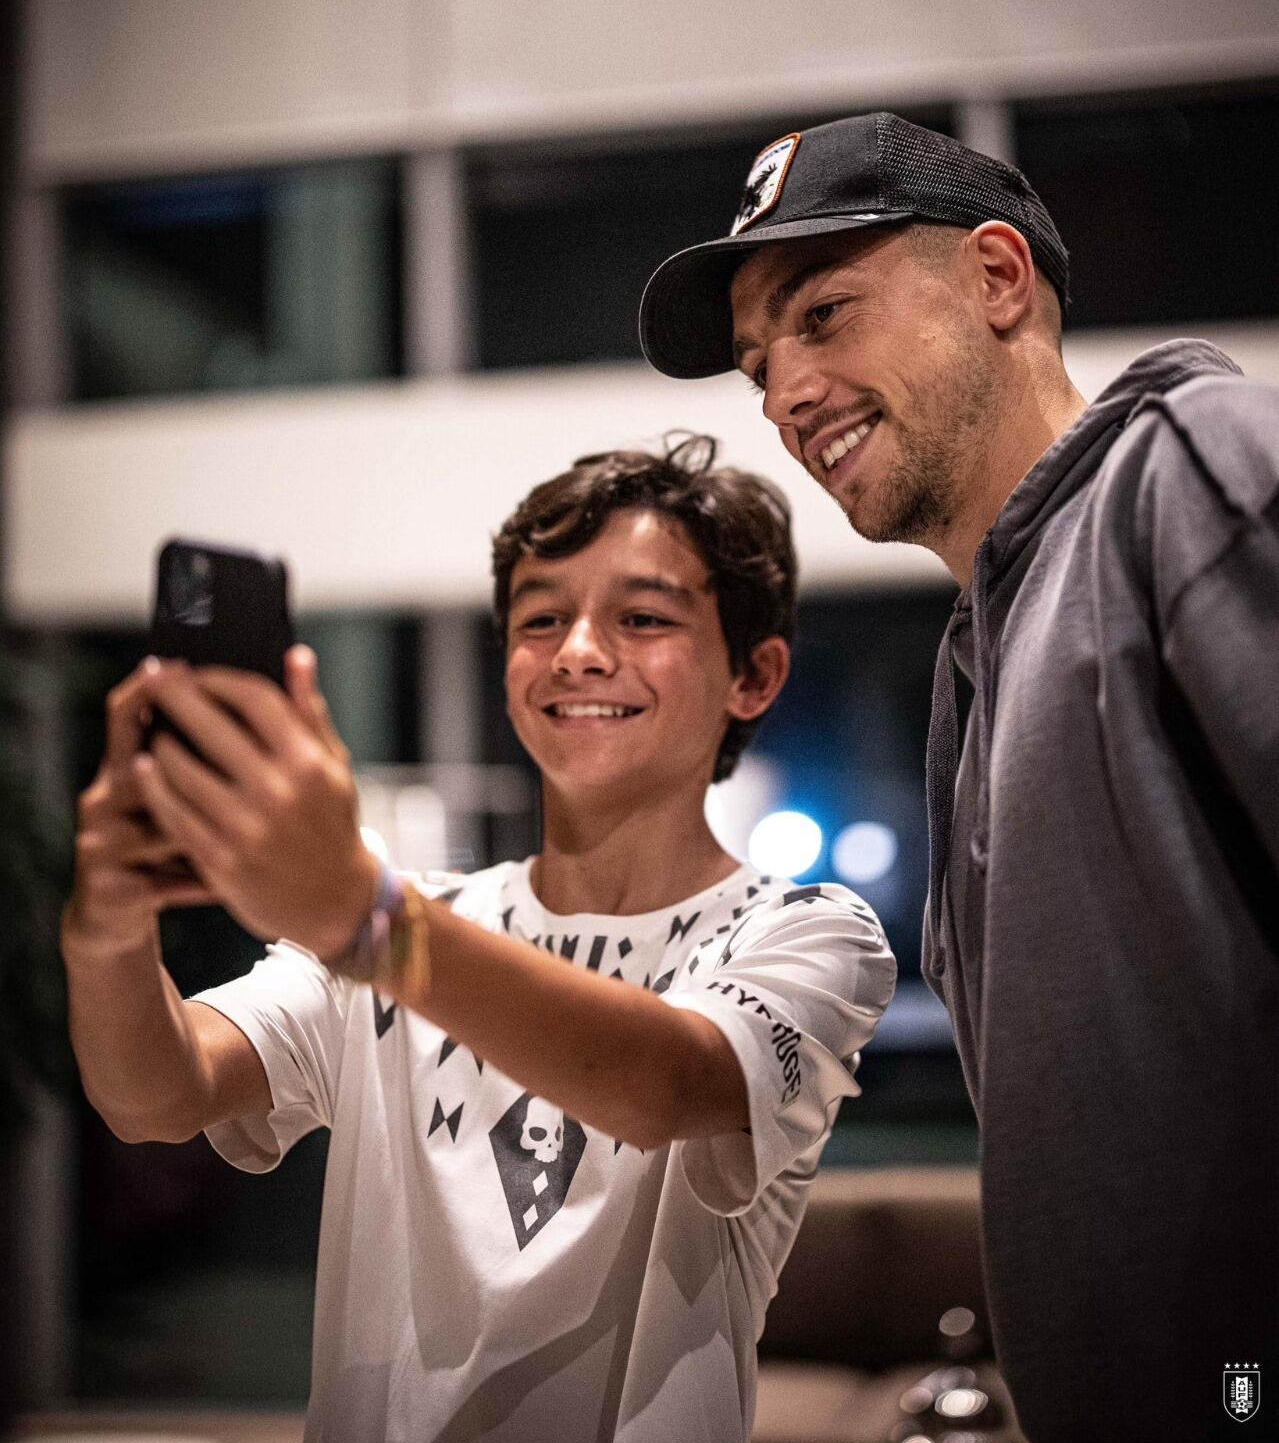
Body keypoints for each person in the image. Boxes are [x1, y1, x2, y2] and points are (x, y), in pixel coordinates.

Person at [639, 114, 1279, 1442]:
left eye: (824, 314)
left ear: (996, 278)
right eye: (758, 367)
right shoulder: (978, 657)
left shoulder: (1188, 464)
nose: (784, 395)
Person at [62, 434, 896, 1443]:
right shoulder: (406, 922)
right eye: (540, 618)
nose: (578, 651)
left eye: (641, 617)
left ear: (753, 676)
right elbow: (157, 1095)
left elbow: (667, 1083)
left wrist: (365, 919)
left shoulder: (805, 933)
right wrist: (107, 926)